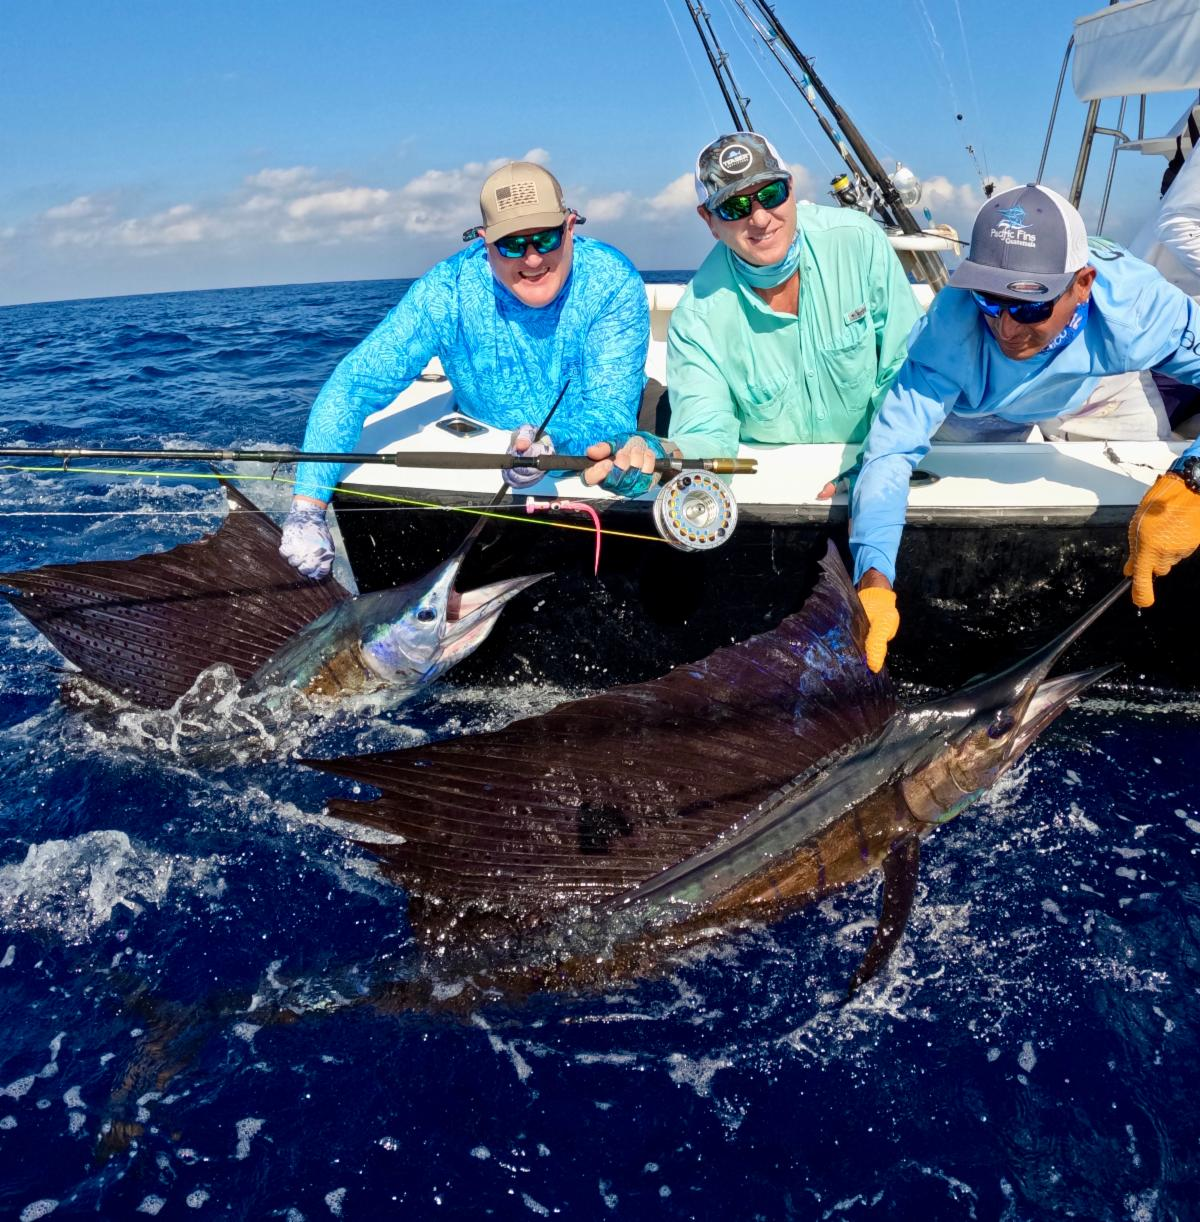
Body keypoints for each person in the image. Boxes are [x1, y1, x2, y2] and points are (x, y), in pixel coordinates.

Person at [850, 183, 1200, 672]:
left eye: (1030, 304)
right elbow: (891, 452)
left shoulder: (1138, 309)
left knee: (1157, 504)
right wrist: (872, 580)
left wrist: (1193, 478)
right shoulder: (952, 327)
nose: (1007, 328)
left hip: (1099, 385)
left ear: (1083, 284)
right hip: (981, 409)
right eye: (991, 299)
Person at [280, 161, 650, 579]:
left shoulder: (611, 281)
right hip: (488, 443)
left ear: (569, 227)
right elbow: (353, 387)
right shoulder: (446, 290)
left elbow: (611, 411)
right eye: (511, 244)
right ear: (484, 242)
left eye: (545, 238)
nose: (532, 258)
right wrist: (307, 508)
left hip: (582, 450)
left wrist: (550, 445)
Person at [583, 131, 922, 497]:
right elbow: (706, 432)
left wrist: (882, 460)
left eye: (771, 194)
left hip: (878, 465)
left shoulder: (858, 241)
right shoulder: (695, 319)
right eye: (735, 207)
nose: (760, 218)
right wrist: (661, 457)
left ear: (791, 188)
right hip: (775, 489)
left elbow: (906, 369)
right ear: (709, 220)